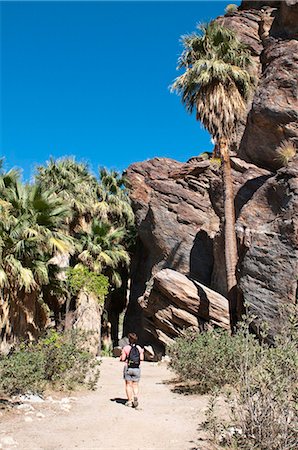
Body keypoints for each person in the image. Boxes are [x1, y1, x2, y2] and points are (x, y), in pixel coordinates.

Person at [120, 332, 144, 408]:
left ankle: (130, 400)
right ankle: (135, 396)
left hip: (128, 367)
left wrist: (122, 358)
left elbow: (123, 359)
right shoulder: (139, 348)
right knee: (135, 384)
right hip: (137, 368)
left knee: (128, 384)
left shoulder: (126, 348)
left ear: (129, 340)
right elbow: (141, 358)